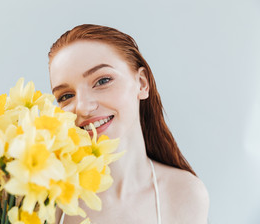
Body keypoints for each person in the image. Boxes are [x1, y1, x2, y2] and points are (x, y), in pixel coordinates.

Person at [48, 24, 210, 224]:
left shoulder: (185, 194)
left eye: (102, 81)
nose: (82, 107)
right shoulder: (44, 201)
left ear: (142, 84)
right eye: (66, 96)